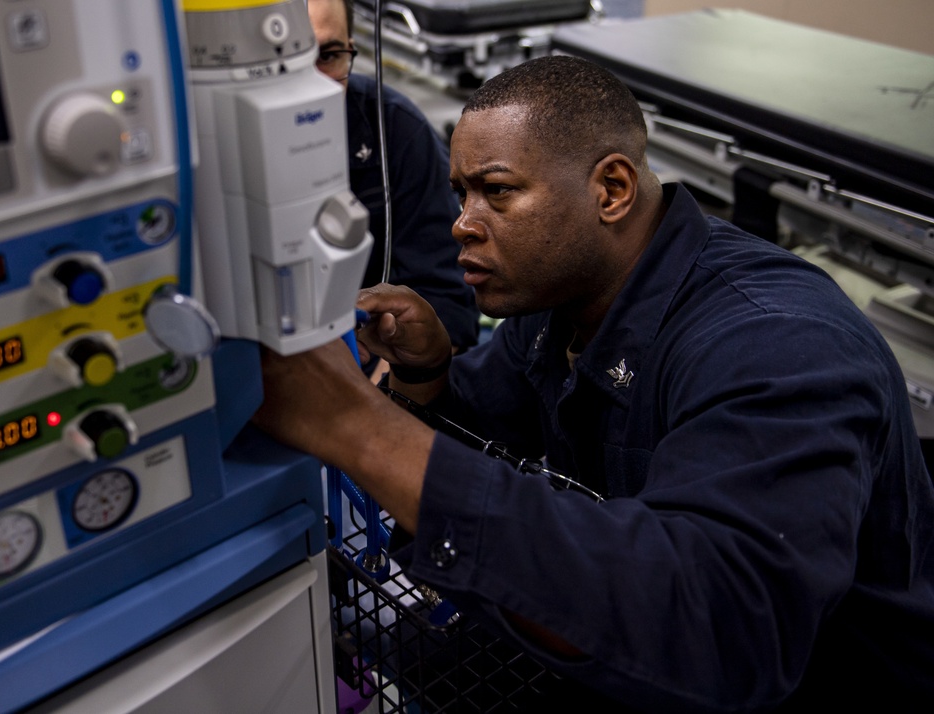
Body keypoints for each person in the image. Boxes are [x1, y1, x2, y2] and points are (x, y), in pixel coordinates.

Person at [254, 55, 934, 711]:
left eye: (496, 191)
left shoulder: (777, 342)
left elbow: (723, 629)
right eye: (461, 193)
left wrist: (356, 427)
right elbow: (489, 421)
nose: (462, 221)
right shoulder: (565, 299)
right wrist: (428, 372)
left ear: (610, 190)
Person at [308, 0, 480, 373]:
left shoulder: (395, 131)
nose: (312, 88)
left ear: (353, 46)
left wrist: (377, 404)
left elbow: (445, 305)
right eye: (289, 60)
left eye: (329, 56)